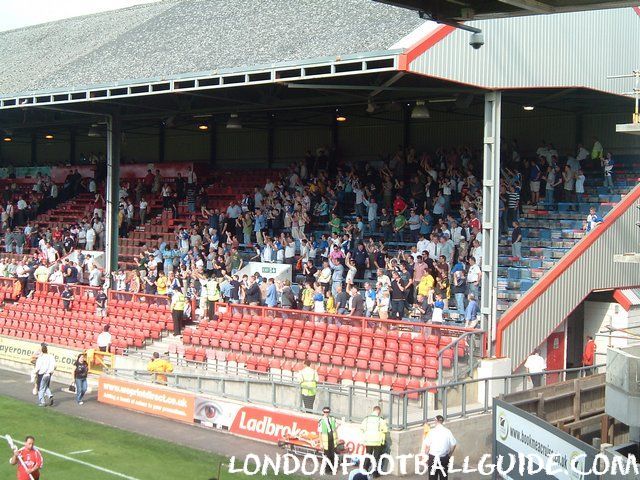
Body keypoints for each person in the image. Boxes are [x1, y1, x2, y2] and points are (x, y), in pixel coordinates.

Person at [421, 415, 457, 480]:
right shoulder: (448, 431)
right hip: (444, 458)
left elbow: (427, 447)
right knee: (443, 477)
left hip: (433, 458)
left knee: (432, 477)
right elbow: (454, 444)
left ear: (436, 421)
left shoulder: (432, 431)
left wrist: (425, 457)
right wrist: (449, 455)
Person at [360, 405, 388, 478]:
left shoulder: (366, 419)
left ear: (373, 410)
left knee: (368, 455)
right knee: (376, 457)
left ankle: (364, 470)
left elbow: (362, 428)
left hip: (368, 441)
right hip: (377, 441)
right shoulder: (380, 420)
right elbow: (385, 430)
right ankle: (374, 473)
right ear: (378, 411)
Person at [318, 406, 339, 474]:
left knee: (333, 455)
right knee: (327, 456)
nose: (326, 413)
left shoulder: (332, 419)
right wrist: (321, 443)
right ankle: (327, 470)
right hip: (326, 442)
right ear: (323, 412)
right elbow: (320, 433)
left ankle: (332, 469)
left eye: (327, 412)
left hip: (332, 440)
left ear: (329, 412)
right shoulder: (321, 421)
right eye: (325, 412)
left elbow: (335, 428)